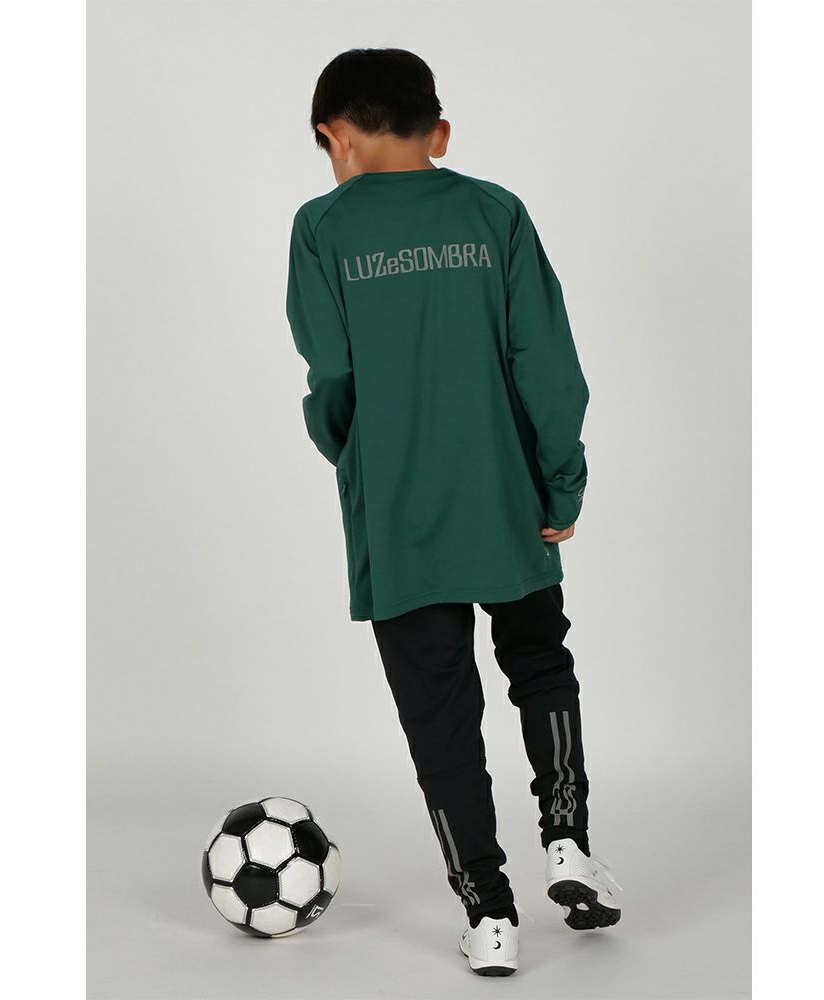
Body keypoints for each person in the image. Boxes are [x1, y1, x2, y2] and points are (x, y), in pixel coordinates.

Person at [285, 47, 621, 977]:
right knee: (540, 663)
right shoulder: (494, 213)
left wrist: (364, 459)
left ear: (333, 136)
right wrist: (559, 480)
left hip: (398, 517)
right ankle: (567, 838)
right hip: (507, 498)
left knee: (438, 714)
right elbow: (547, 361)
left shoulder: (320, 229)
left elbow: (331, 377)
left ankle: (489, 912)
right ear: (439, 132)